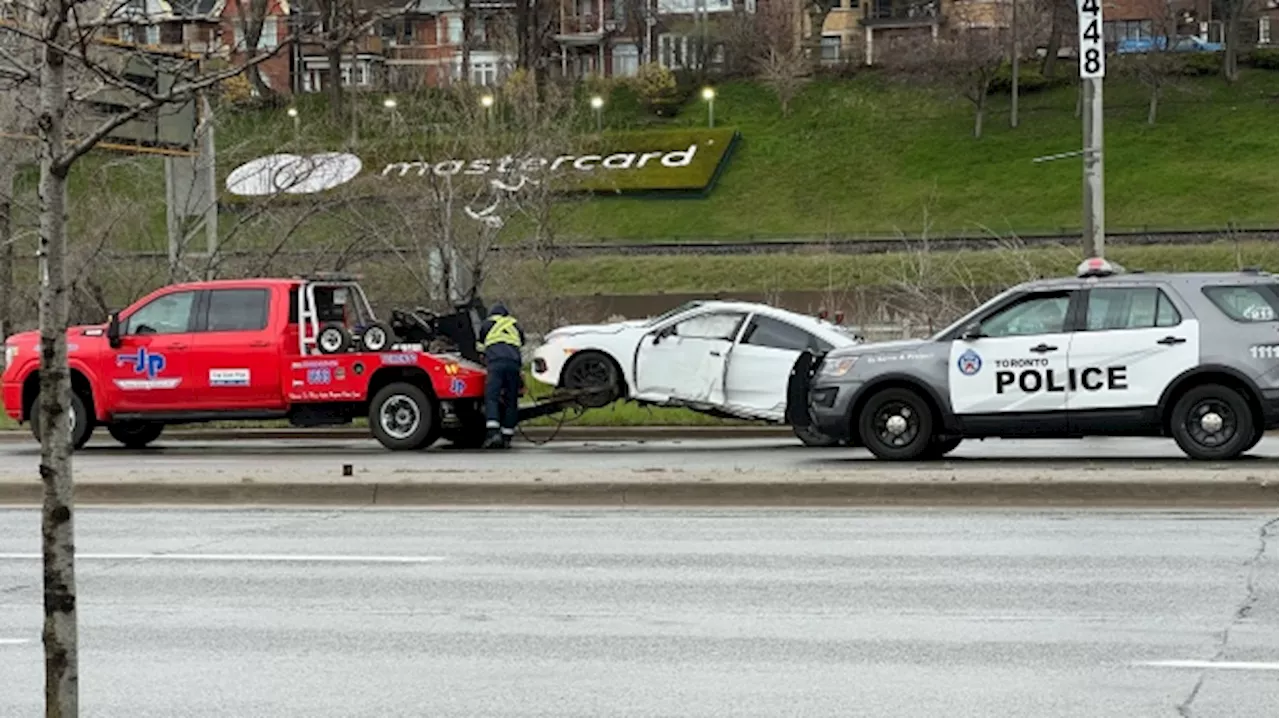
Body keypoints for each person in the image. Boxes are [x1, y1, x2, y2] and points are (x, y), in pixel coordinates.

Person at [476, 302, 525, 449]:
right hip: (514, 364)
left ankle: (493, 434)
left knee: (492, 397)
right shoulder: (515, 324)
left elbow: (479, 347)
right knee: (511, 400)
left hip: (496, 364)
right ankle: (507, 436)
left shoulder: (487, 324)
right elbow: (521, 342)